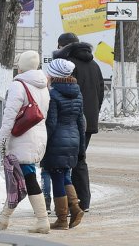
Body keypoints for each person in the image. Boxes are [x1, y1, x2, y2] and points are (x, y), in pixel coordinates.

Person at [0, 50, 50, 234]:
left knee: (26, 178)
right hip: (38, 137)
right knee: (20, 178)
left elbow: (9, 117)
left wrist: (1, 139)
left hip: (22, 139)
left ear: (22, 66)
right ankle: (4, 217)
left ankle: (42, 220)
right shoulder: (43, 85)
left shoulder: (19, 85)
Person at [52, 32, 104, 212]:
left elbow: (64, 93)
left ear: (63, 47)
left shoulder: (68, 66)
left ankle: (72, 203)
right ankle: (83, 201)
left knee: (67, 162)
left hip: (71, 120)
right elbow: (101, 93)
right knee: (80, 159)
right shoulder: (94, 65)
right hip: (89, 121)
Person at [41, 58, 86, 230]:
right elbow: (81, 122)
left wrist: (43, 142)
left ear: (54, 74)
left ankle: (62, 219)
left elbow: (51, 124)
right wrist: (81, 147)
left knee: (57, 178)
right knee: (65, 175)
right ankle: (75, 208)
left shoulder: (52, 94)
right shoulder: (78, 92)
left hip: (57, 141)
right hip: (73, 139)